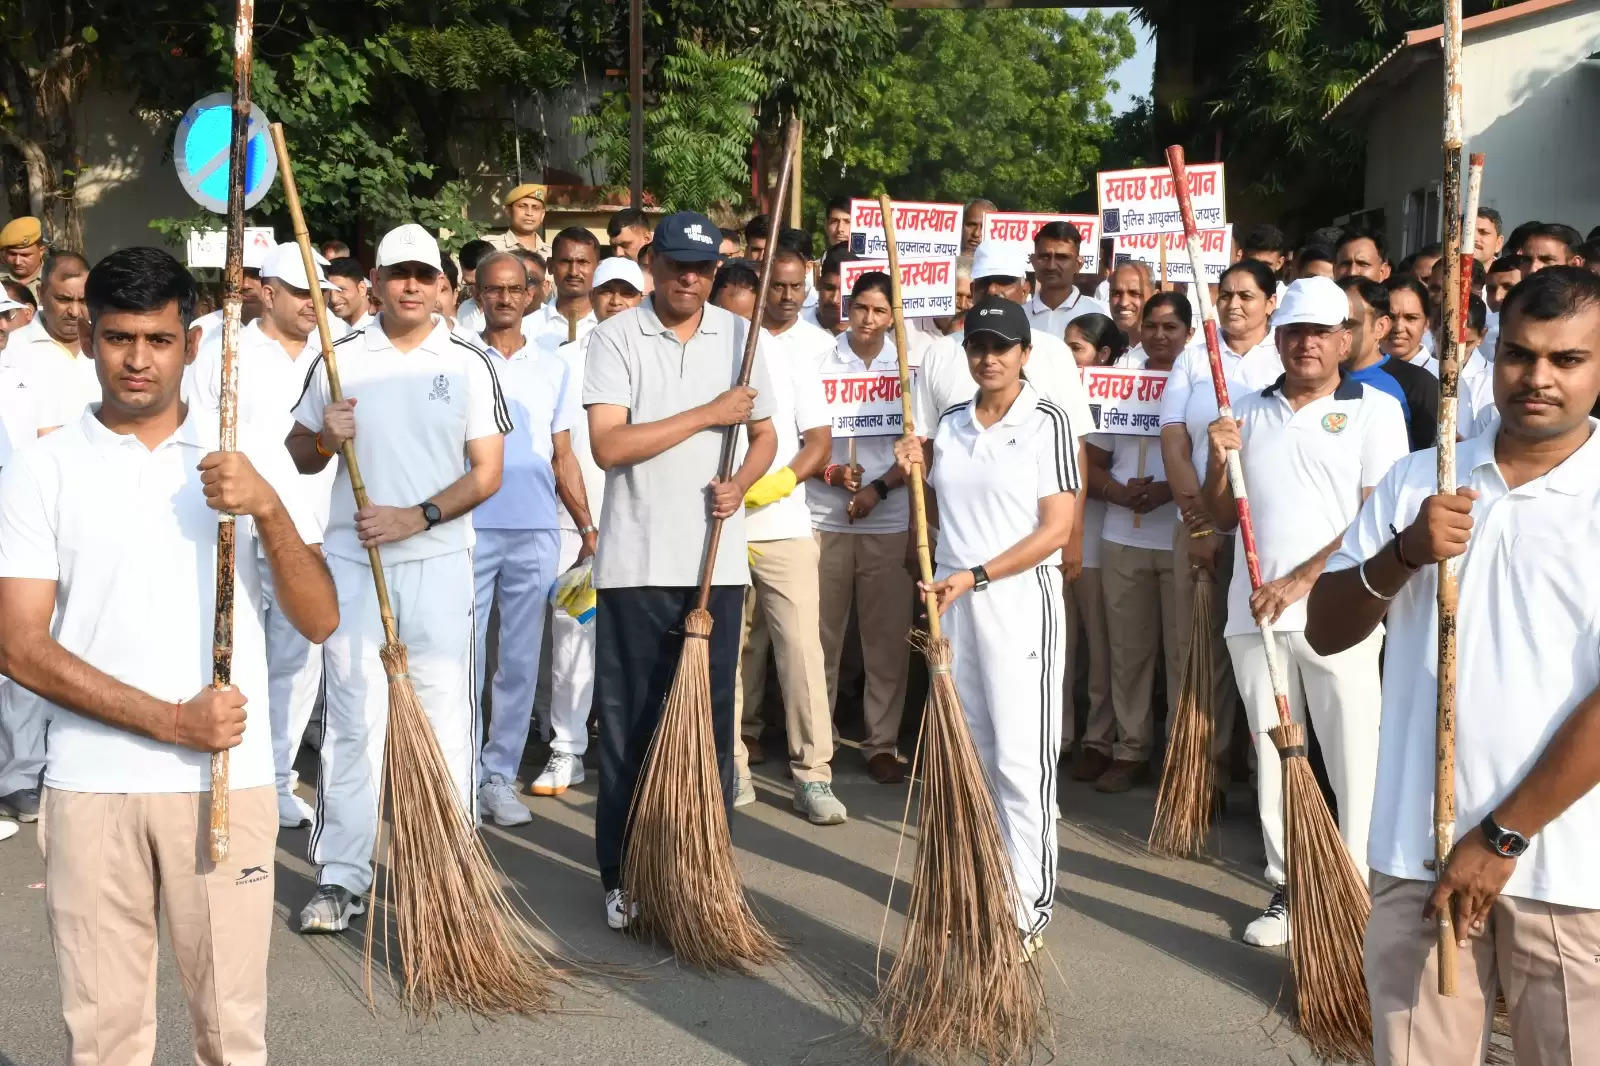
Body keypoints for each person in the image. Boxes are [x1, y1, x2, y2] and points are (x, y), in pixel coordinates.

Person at [0, 245, 338, 1065]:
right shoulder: (43, 467)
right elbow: (18, 645)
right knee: (105, 1039)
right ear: (90, 339)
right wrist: (170, 721)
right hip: (92, 785)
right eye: (119, 339)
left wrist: (267, 509)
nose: (138, 360)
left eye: (157, 339)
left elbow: (320, 617)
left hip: (226, 786)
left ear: (191, 342)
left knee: (230, 1036)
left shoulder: (243, 451)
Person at [1304, 266, 1600, 1064]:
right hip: (1417, 849)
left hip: (1570, 873)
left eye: (1567, 360)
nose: (1537, 378)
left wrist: (1502, 837)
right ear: (1488, 357)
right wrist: (1404, 554)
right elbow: (1327, 630)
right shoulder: (1422, 476)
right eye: (1519, 355)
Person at [287, 223, 510, 933]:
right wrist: (326, 435)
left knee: (447, 718)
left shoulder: (470, 360)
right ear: (376, 283)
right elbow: (299, 452)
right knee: (355, 718)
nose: (410, 285)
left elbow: (487, 472)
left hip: (440, 563)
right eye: (396, 273)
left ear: (443, 284)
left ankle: (447, 871)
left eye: (423, 274)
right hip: (356, 566)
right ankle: (342, 877)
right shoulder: (338, 354)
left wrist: (419, 516)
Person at [582, 209, 777, 928]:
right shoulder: (615, 336)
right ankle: (622, 873)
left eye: (702, 269)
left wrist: (743, 483)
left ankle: (702, 867)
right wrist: (707, 412)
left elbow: (764, 436)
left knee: (706, 725)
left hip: (715, 565)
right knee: (632, 723)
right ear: (653, 266)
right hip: (636, 562)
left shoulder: (742, 338)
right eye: (676, 266)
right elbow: (609, 446)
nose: (689, 279)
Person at [1203, 276, 1407, 948]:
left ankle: (1351, 891)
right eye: (1294, 332)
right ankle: (1289, 887)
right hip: (1253, 614)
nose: (1306, 344)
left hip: (1339, 612)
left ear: (1345, 338)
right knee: (1275, 759)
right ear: (1279, 337)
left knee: (1353, 757)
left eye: (1320, 331)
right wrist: (1217, 459)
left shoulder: (1375, 410)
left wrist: (1298, 580)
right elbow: (1215, 512)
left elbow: (1375, 519)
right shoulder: (1248, 409)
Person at [892, 294, 1080, 953]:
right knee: (967, 756)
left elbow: (1057, 530)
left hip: (1019, 603)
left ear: (1026, 353)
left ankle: (1027, 907)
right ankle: (978, 886)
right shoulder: (947, 422)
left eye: (1002, 346)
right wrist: (912, 464)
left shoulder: (1046, 421)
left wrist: (977, 574)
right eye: (978, 346)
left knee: (1021, 764)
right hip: (953, 606)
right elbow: (940, 512)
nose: (989, 357)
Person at [186, 243, 342, 831]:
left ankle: (277, 781)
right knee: (237, 656)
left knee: (301, 663)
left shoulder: (337, 349)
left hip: (315, 532)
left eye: (321, 295)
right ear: (267, 292)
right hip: (241, 529)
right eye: (303, 293)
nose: (314, 304)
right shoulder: (224, 347)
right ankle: (233, 774)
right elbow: (198, 431)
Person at [469, 251, 590, 826]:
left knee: (517, 663)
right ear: (478, 292)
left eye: (515, 289)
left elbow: (563, 452)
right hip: (467, 527)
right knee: (461, 658)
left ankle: (498, 775)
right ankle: (457, 773)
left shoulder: (554, 365)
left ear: (531, 294)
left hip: (536, 529)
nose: (505, 298)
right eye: (494, 289)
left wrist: (586, 526)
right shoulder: (458, 358)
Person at [730, 248, 845, 823]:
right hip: (715, 527)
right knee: (725, 652)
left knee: (801, 648)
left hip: (782, 526)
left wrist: (771, 485)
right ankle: (731, 763)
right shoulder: (701, 354)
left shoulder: (794, 358)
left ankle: (813, 774)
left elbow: (818, 442)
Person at [1158, 259, 1281, 793]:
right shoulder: (1193, 357)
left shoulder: (1285, 357)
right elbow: (1173, 439)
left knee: (1263, 656)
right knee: (1199, 654)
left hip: (1265, 530)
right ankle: (1199, 777)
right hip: (1202, 523)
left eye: (1246, 295)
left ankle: (1263, 784)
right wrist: (1203, 521)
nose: (1232, 304)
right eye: (1224, 294)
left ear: (1270, 302)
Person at [529, 257, 641, 798]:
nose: (615, 303)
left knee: (640, 642)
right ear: (590, 298)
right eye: (606, 293)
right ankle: (566, 750)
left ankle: (639, 751)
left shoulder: (663, 358)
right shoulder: (562, 361)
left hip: (647, 526)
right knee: (573, 638)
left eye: (627, 293)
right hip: (582, 530)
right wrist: (588, 526)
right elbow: (562, 451)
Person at [1081, 292, 1187, 792]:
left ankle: (1184, 757)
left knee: (1184, 655)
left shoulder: (1201, 381)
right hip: (1122, 534)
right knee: (1127, 653)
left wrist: (1172, 490)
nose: (1161, 336)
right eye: (1153, 326)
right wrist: (1118, 494)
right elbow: (1090, 457)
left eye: (1172, 327)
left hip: (1183, 534)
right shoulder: (1120, 380)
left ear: (1187, 333)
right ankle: (1130, 749)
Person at [810, 271, 913, 785]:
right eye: (862, 308)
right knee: (821, 639)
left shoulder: (909, 366)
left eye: (880, 310)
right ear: (847, 307)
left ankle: (881, 743)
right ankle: (816, 745)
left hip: (888, 518)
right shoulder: (819, 359)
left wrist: (881, 488)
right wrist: (830, 472)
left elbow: (923, 446)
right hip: (824, 518)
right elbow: (799, 437)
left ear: (893, 314)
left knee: (886, 640)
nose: (869, 320)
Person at [1060, 312, 1123, 777]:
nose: (1067, 356)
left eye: (1076, 348)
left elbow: (1092, 470)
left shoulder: (1117, 394)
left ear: (1102, 355)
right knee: (1058, 646)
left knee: (1101, 650)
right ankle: (1058, 735)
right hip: (1049, 539)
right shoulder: (1049, 393)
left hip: (1101, 539)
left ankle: (1098, 738)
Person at [1339, 276, 1441, 453]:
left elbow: (1426, 460)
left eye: (1350, 324)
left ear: (1380, 325)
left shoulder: (1420, 384)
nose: (1398, 327)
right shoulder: (1314, 378)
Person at [11, 252, 96, 437]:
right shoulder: (11, 350)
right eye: (64, 299)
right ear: (40, 294)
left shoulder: (108, 346)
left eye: (83, 301)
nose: (74, 312)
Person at [1027, 221, 1109, 337]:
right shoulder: (1018, 316)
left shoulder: (1100, 312)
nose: (1051, 266)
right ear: (1033, 261)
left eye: (1062, 257)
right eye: (1045, 256)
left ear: (1078, 264)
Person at [525, 226, 599, 351]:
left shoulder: (610, 327)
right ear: (550, 266)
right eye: (565, 262)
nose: (574, 272)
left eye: (582, 262)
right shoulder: (527, 328)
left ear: (598, 267)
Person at [188, 242, 268, 354]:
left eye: (256, 274)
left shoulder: (290, 331)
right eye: (236, 273)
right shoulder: (203, 329)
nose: (245, 285)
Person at [1384, 275, 1435, 375]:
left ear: (1426, 324)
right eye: (1390, 317)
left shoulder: (1445, 380)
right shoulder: (1354, 372)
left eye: (1411, 318)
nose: (1398, 328)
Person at [487, 183, 552, 258]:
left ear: (542, 215)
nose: (529, 213)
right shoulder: (490, 247)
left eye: (535, 208)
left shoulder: (553, 253)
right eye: (522, 206)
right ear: (508, 211)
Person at [450, 239, 497, 335]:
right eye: (469, 284)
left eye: (482, 284)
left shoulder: (510, 311)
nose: (476, 291)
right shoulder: (464, 309)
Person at [807, 243, 854, 335]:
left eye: (845, 291)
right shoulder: (796, 330)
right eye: (829, 288)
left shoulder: (872, 339)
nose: (835, 300)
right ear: (818, 283)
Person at [0, 216, 47, 298]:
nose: (17, 262)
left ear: (41, 251)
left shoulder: (56, 281)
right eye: (12, 254)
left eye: (25, 255)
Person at [1107, 260, 1153, 343]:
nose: (1123, 303)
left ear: (1154, 297)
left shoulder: (1166, 353)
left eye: (1135, 293)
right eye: (1116, 293)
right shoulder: (1101, 348)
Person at [325, 256, 374, 334]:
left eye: (340, 290)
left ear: (362, 289)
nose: (333, 299)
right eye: (327, 292)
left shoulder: (378, 329)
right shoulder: (333, 331)